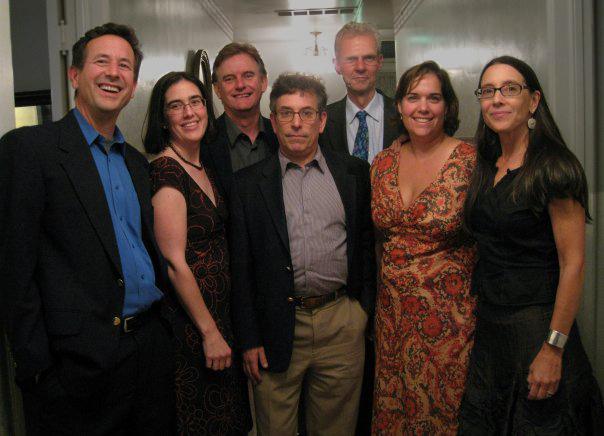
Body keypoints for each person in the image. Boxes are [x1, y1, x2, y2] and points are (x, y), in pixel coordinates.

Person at [0, 23, 174, 435]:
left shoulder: (136, 162)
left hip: (148, 352)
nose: (114, 73)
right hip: (75, 369)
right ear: (74, 75)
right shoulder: (30, 150)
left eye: (125, 66)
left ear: (133, 86)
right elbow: (13, 268)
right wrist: (39, 369)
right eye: (102, 62)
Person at [458, 55, 604, 435]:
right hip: (491, 330)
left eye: (510, 89)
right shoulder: (489, 164)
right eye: (488, 91)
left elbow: (573, 264)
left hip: (536, 328)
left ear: (533, 101)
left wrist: (553, 348)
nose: (497, 100)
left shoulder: (554, 168)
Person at [230, 72, 376, 436]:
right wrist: (249, 338)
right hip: (277, 325)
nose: (297, 123)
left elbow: (367, 247)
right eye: (286, 113)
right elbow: (241, 267)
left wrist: (362, 312)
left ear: (322, 120)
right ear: (273, 121)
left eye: (307, 113)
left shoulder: (354, 174)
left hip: (340, 321)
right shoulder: (248, 184)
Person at [370, 61, 477, 435]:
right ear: (399, 106)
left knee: (442, 416)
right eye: (413, 97)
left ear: (447, 106)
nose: (423, 107)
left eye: (434, 98)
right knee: (395, 413)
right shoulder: (383, 162)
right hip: (392, 319)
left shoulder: (470, 163)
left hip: (448, 321)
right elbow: (380, 240)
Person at [142, 71, 251, 436]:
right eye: (176, 105)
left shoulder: (202, 163)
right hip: (192, 329)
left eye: (195, 101)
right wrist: (209, 332)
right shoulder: (167, 171)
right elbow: (174, 263)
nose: (189, 112)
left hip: (219, 319)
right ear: (163, 118)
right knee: (202, 422)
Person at [205, 42, 279, 199]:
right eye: (229, 79)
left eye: (248, 75)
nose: (240, 85)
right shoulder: (203, 143)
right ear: (217, 89)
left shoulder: (282, 135)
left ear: (263, 82)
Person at [321, 22, 400, 164]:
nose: (360, 67)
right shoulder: (322, 122)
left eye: (368, 58)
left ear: (380, 62)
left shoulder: (403, 116)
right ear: (337, 65)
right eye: (351, 59)